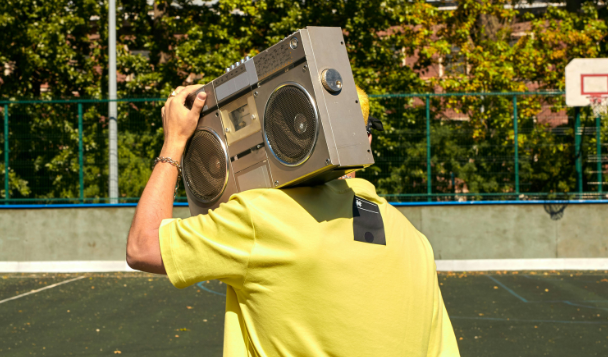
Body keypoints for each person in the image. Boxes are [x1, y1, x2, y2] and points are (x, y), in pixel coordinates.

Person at [126, 84, 460, 356]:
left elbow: (143, 247)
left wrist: (175, 141)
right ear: (365, 140)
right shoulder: (415, 241)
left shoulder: (263, 217)